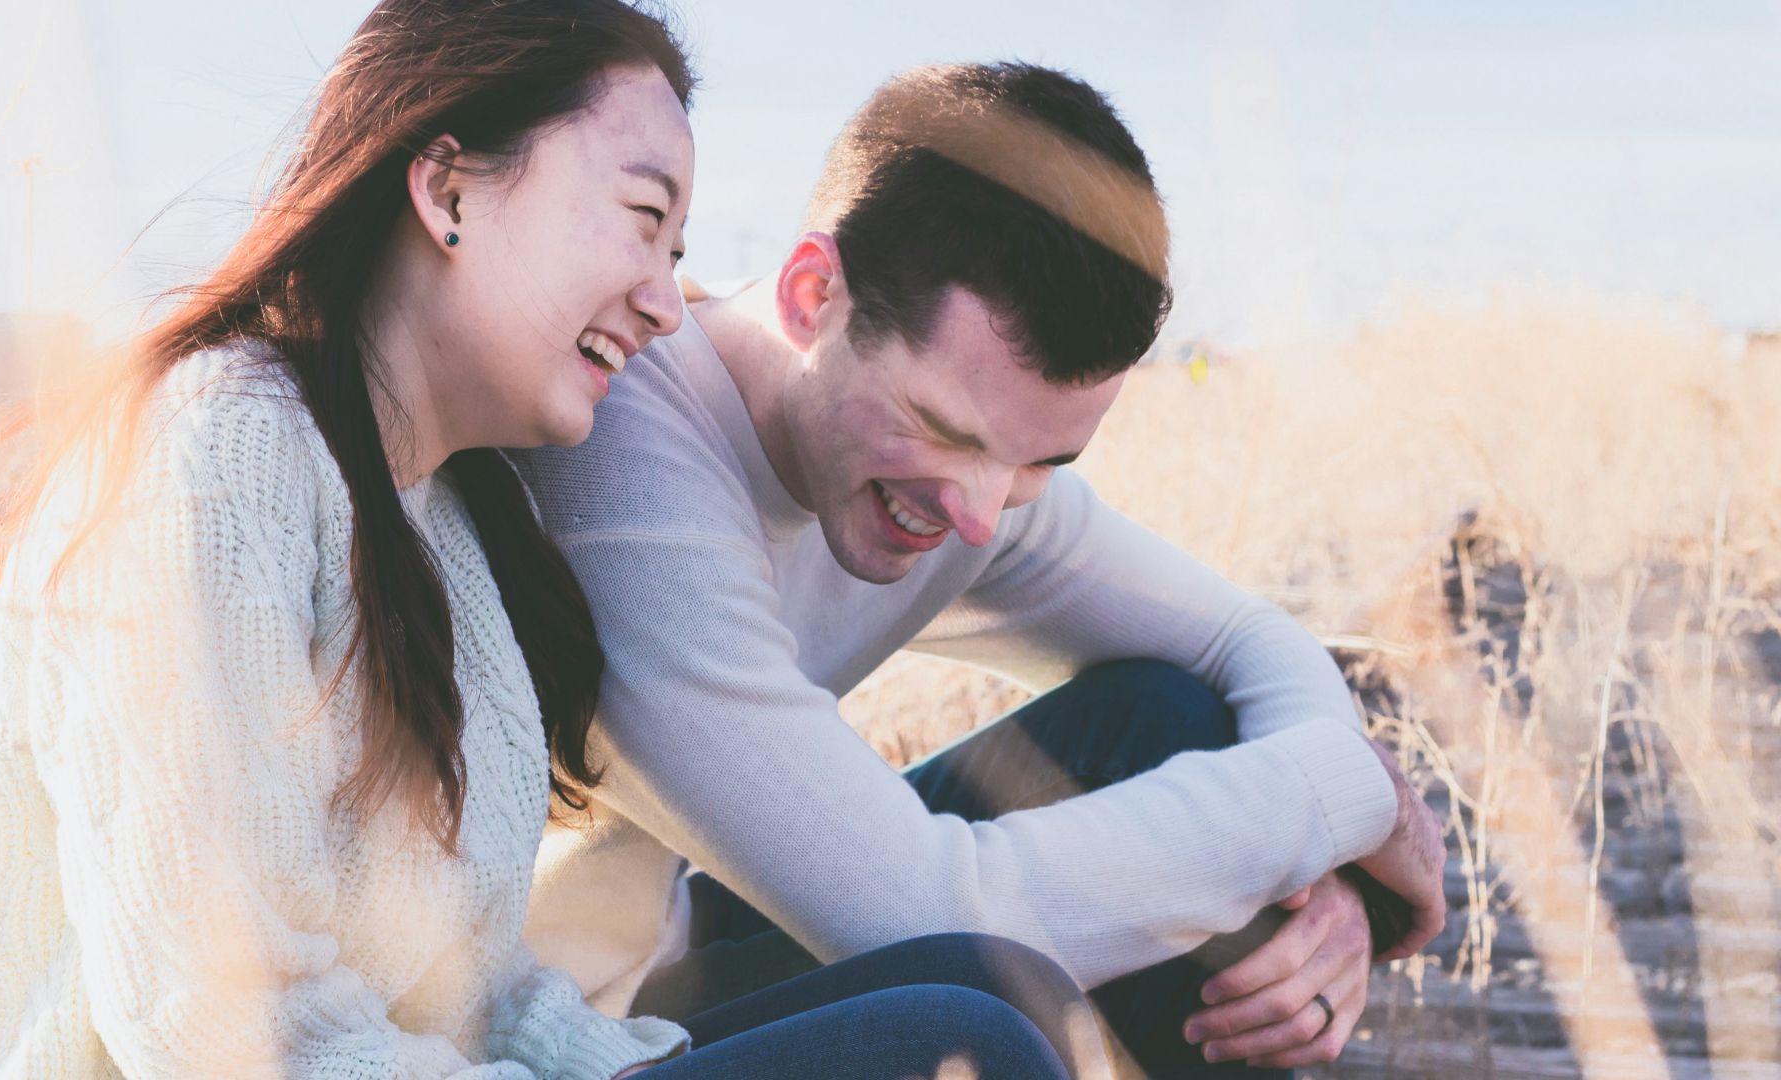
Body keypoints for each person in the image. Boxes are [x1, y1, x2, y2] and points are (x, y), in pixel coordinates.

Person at [0, 6, 1086, 1078]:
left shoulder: (442, 520)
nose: (667, 303)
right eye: (643, 222)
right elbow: (222, 1031)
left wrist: (620, 1064)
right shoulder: (216, 454)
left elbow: (467, 986)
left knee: (995, 983)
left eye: (680, 256)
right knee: (965, 1042)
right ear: (448, 190)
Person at [511, 61, 1449, 1076]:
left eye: (1043, 460)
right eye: (940, 429)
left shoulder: (971, 480)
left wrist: (1327, 883)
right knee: (986, 1017)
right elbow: (926, 918)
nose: (976, 514)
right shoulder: (624, 461)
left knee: (1171, 716)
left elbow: (1244, 638)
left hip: (673, 945)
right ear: (813, 295)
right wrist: (1337, 801)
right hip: (554, 1029)